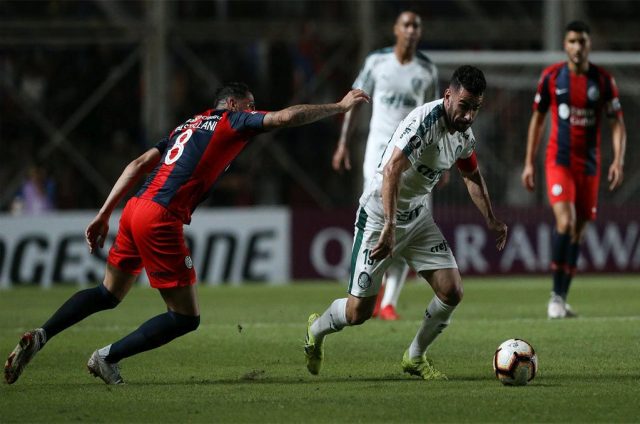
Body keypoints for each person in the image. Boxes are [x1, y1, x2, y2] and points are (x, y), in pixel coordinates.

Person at [4, 82, 370, 385]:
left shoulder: (185, 128)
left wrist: (104, 214)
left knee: (107, 292)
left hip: (134, 209)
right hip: (160, 216)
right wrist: (338, 107)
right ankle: (105, 357)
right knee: (184, 317)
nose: (254, 109)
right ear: (231, 104)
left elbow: (137, 164)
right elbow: (287, 117)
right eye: (250, 104)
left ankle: (41, 335)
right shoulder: (231, 121)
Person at [305, 66, 507, 379]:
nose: (468, 116)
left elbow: (472, 176)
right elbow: (392, 170)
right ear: (447, 96)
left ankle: (414, 357)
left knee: (452, 290)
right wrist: (388, 227)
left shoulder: (464, 135)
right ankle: (316, 331)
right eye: (464, 106)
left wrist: (492, 219)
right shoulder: (424, 122)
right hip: (377, 217)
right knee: (358, 313)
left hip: (417, 218)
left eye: (475, 109)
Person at [332, 10, 439, 320]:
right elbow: (353, 103)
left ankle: (389, 301)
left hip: (416, 156)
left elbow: (436, 117)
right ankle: (367, 285)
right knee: (379, 214)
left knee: (410, 218)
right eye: (406, 24)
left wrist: (437, 162)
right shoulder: (377, 62)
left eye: (416, 26)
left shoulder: (427, 70)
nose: (411, 30)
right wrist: (342, 143)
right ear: (395, 29)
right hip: (379, 152)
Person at [521, 21, 626, 319]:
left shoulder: (603, 81)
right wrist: (529, 161)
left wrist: (618, 160)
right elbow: (538, 120)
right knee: (565, 222)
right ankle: (554, 297)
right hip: (559, 160)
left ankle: (562, 297)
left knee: (579, 232)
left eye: (582, 41)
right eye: (572, 41)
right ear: (565, 45)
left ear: (589, 44)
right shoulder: (552, 77)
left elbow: (617, 123)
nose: (577, 47)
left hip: (590, 165)